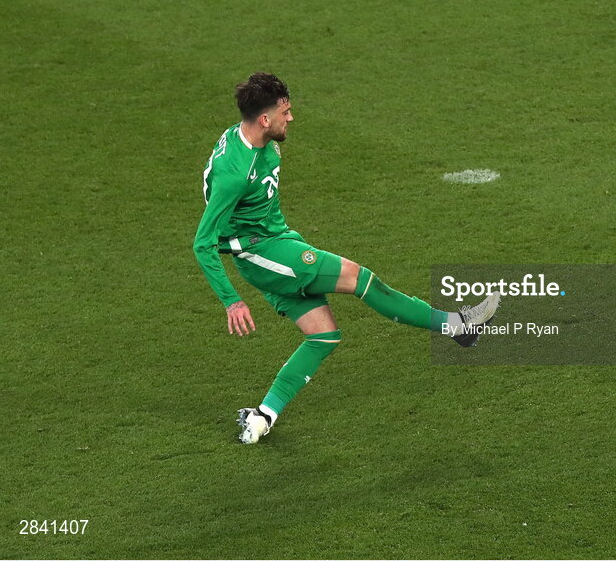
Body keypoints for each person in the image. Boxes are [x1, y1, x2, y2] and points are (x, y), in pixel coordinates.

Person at [193, 72, 499, 444]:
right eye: (285, 113)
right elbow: (203, 242)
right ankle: (457, 325)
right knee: (360, 278)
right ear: (264, 119)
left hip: (277, 241)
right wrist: (232, 301)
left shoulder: (254, 139)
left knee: (323, 336)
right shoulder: (235, 173)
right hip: (262, 252)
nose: (291, 119)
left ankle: (263, 416)